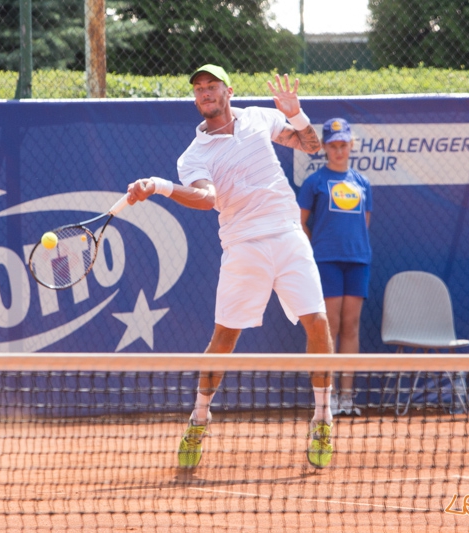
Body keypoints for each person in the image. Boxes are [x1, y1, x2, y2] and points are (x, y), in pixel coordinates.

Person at [126, 64, 336, 469]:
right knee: (223, 338)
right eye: (198, 88)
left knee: (318, 322)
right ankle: (199, 419)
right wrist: (161, 185)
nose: (205, 92)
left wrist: (296, 113)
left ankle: (323, 417)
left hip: (289, 234)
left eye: (212, 85)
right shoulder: (194, 156)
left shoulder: (259, 117)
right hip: (242, 245)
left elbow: (311, 146)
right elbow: (206, 198)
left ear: (228, 90)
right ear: (195, 99)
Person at [297, 118, 372, 417]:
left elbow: (363, 221)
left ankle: (347, 396)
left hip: (358, 262)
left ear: (350, 145)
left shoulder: (363, 182)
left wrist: (352, 246)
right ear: (325, 147)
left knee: (351, 327)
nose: (339, 151)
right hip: (326, 261)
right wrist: (319, 247)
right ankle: (325, 399)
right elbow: (300, 222)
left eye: (343, 145)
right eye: (333, 146)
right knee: (331, 327)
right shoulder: (314, 182)